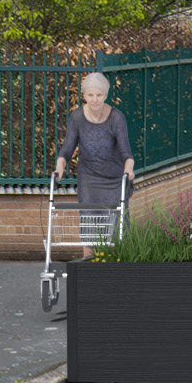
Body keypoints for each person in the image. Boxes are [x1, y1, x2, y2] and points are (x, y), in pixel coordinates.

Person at [52, 69, 133, 254]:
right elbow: (67, 147)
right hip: (89, 178)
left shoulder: (116, 118)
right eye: (90, 95)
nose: (95, 99)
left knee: (115, 228)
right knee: (90, 225)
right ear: (84, 95)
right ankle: (89, 267)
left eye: (99, 95)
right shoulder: (77, 116)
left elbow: (125, 151)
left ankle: (115, 267)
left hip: (114, 180)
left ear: (105, 95)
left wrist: (129, 169)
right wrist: (59, 166)